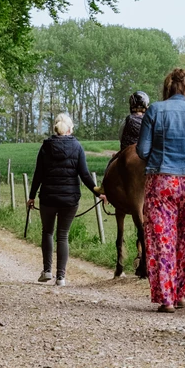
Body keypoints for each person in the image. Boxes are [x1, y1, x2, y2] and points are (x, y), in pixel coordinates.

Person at [136, 69, 185, 313]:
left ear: (167, 88)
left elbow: (142, 151)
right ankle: (182, 294)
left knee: (162, 241)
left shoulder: (155, 110)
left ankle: (167, 298)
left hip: (162, 181)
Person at [28, 113, 106, 286]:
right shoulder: (77, 147)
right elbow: (84, 174)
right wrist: (98, 193)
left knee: (48, 232)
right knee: (63, 236)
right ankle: (61, 277)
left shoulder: (45, 147)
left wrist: (31, 196)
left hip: (48, 197)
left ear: (56, 128)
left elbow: (38, 174)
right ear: (70, 129)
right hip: (70, 200)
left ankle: (47, 271)